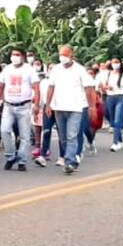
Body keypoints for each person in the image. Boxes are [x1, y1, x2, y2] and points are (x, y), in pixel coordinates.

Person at [45, 45, 97, 174]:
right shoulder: (56, 69)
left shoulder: (80, 70)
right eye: (61, 54)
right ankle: (69, 157)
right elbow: (51, 87)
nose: (62, 57)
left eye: (65, 54)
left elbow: (88, 89)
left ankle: (70, 162)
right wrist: (48, 104)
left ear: (71, 55)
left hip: (75, 108)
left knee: (72, 135)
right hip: (59, 108)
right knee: (63, 137)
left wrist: (92, 106)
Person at [0, 48, 41, 172]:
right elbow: (1, 87)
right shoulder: (7, 69)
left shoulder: (29, 69)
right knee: (4, 130)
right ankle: (10, 156)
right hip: (8, 106)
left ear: (23, 57)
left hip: (24, 106)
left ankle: (22, 160)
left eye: (17, 54)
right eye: (13, 54)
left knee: (24, 136)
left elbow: (36, 88)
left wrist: (36, 105)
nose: (14, 57)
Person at [101, 58, 123, 152]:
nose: (115, 64)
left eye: (117, 62)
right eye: (113, 62)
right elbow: (102, 86)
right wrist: (106, 87)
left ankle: (115, 142)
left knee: (117, 120)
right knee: (112, 121)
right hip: (110, 97)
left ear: (120, 63)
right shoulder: (107, 74)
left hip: (120, 97)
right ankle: (120, 140)